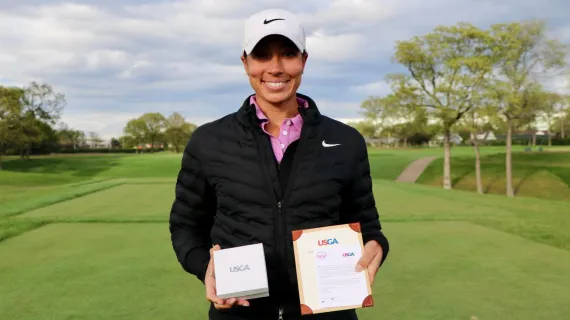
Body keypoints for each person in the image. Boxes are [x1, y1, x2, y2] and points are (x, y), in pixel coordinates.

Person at [169, 8, 390, 320]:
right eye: (262, 55)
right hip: (240, 314)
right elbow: (186, 225)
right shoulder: (208, 141)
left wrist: (376, 246)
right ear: (245, 62)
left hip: (327, 313)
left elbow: (367, 224)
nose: (275, 68)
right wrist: (204, 267)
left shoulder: (346, 140)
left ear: (303, 61)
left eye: (287, 53)